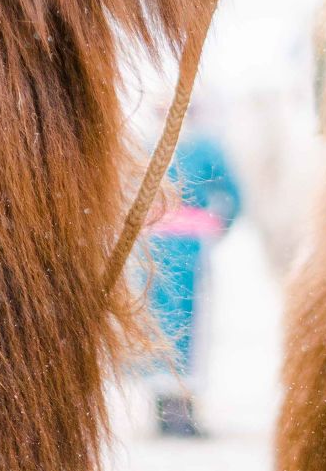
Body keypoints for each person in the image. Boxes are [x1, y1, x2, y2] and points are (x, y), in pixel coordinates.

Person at [137, 116, 243, 439]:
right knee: (177, 323)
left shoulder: (154, 142)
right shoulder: (194, 145)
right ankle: (174, 409)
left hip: (165, 249)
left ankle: (172, 408)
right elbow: (233, 195)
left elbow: (231, 195)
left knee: (167, 323)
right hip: (173, 251)